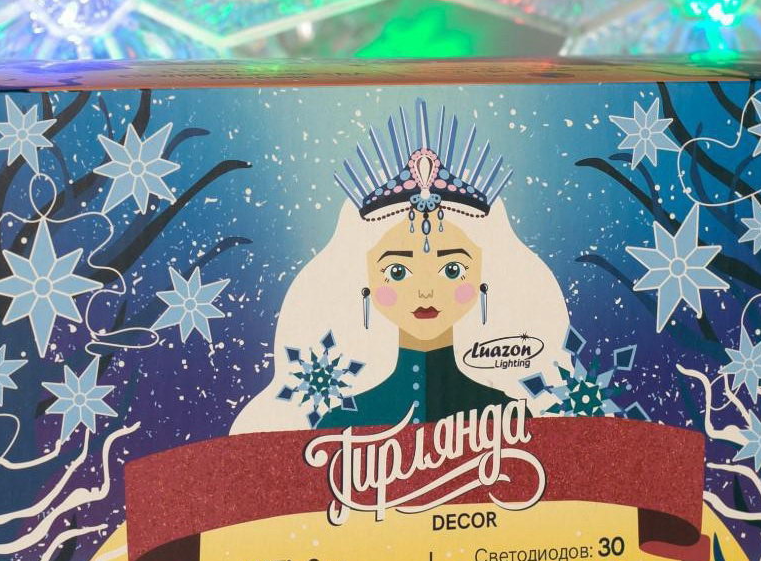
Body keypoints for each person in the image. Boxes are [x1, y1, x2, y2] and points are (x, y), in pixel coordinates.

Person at [234, 99, 571, 435]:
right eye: (397, 272)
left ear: (483, 274)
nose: (425, 291)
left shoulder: (511, 418)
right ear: (367, 278)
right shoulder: (339, 425)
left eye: (452, 270)